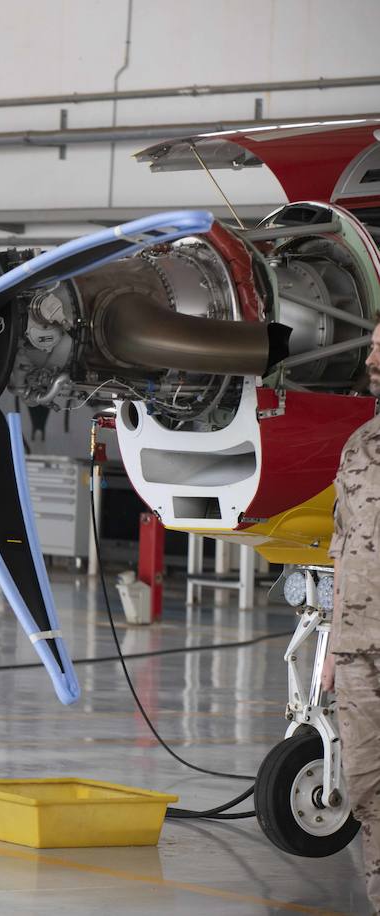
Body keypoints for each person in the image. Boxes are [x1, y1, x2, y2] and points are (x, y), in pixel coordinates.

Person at [324, 320, 380, 913]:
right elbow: (342, 549)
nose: (374, 356)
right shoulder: (359, 445)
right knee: (366, 788)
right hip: (359, 649)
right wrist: (335, 651)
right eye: (372, 345)